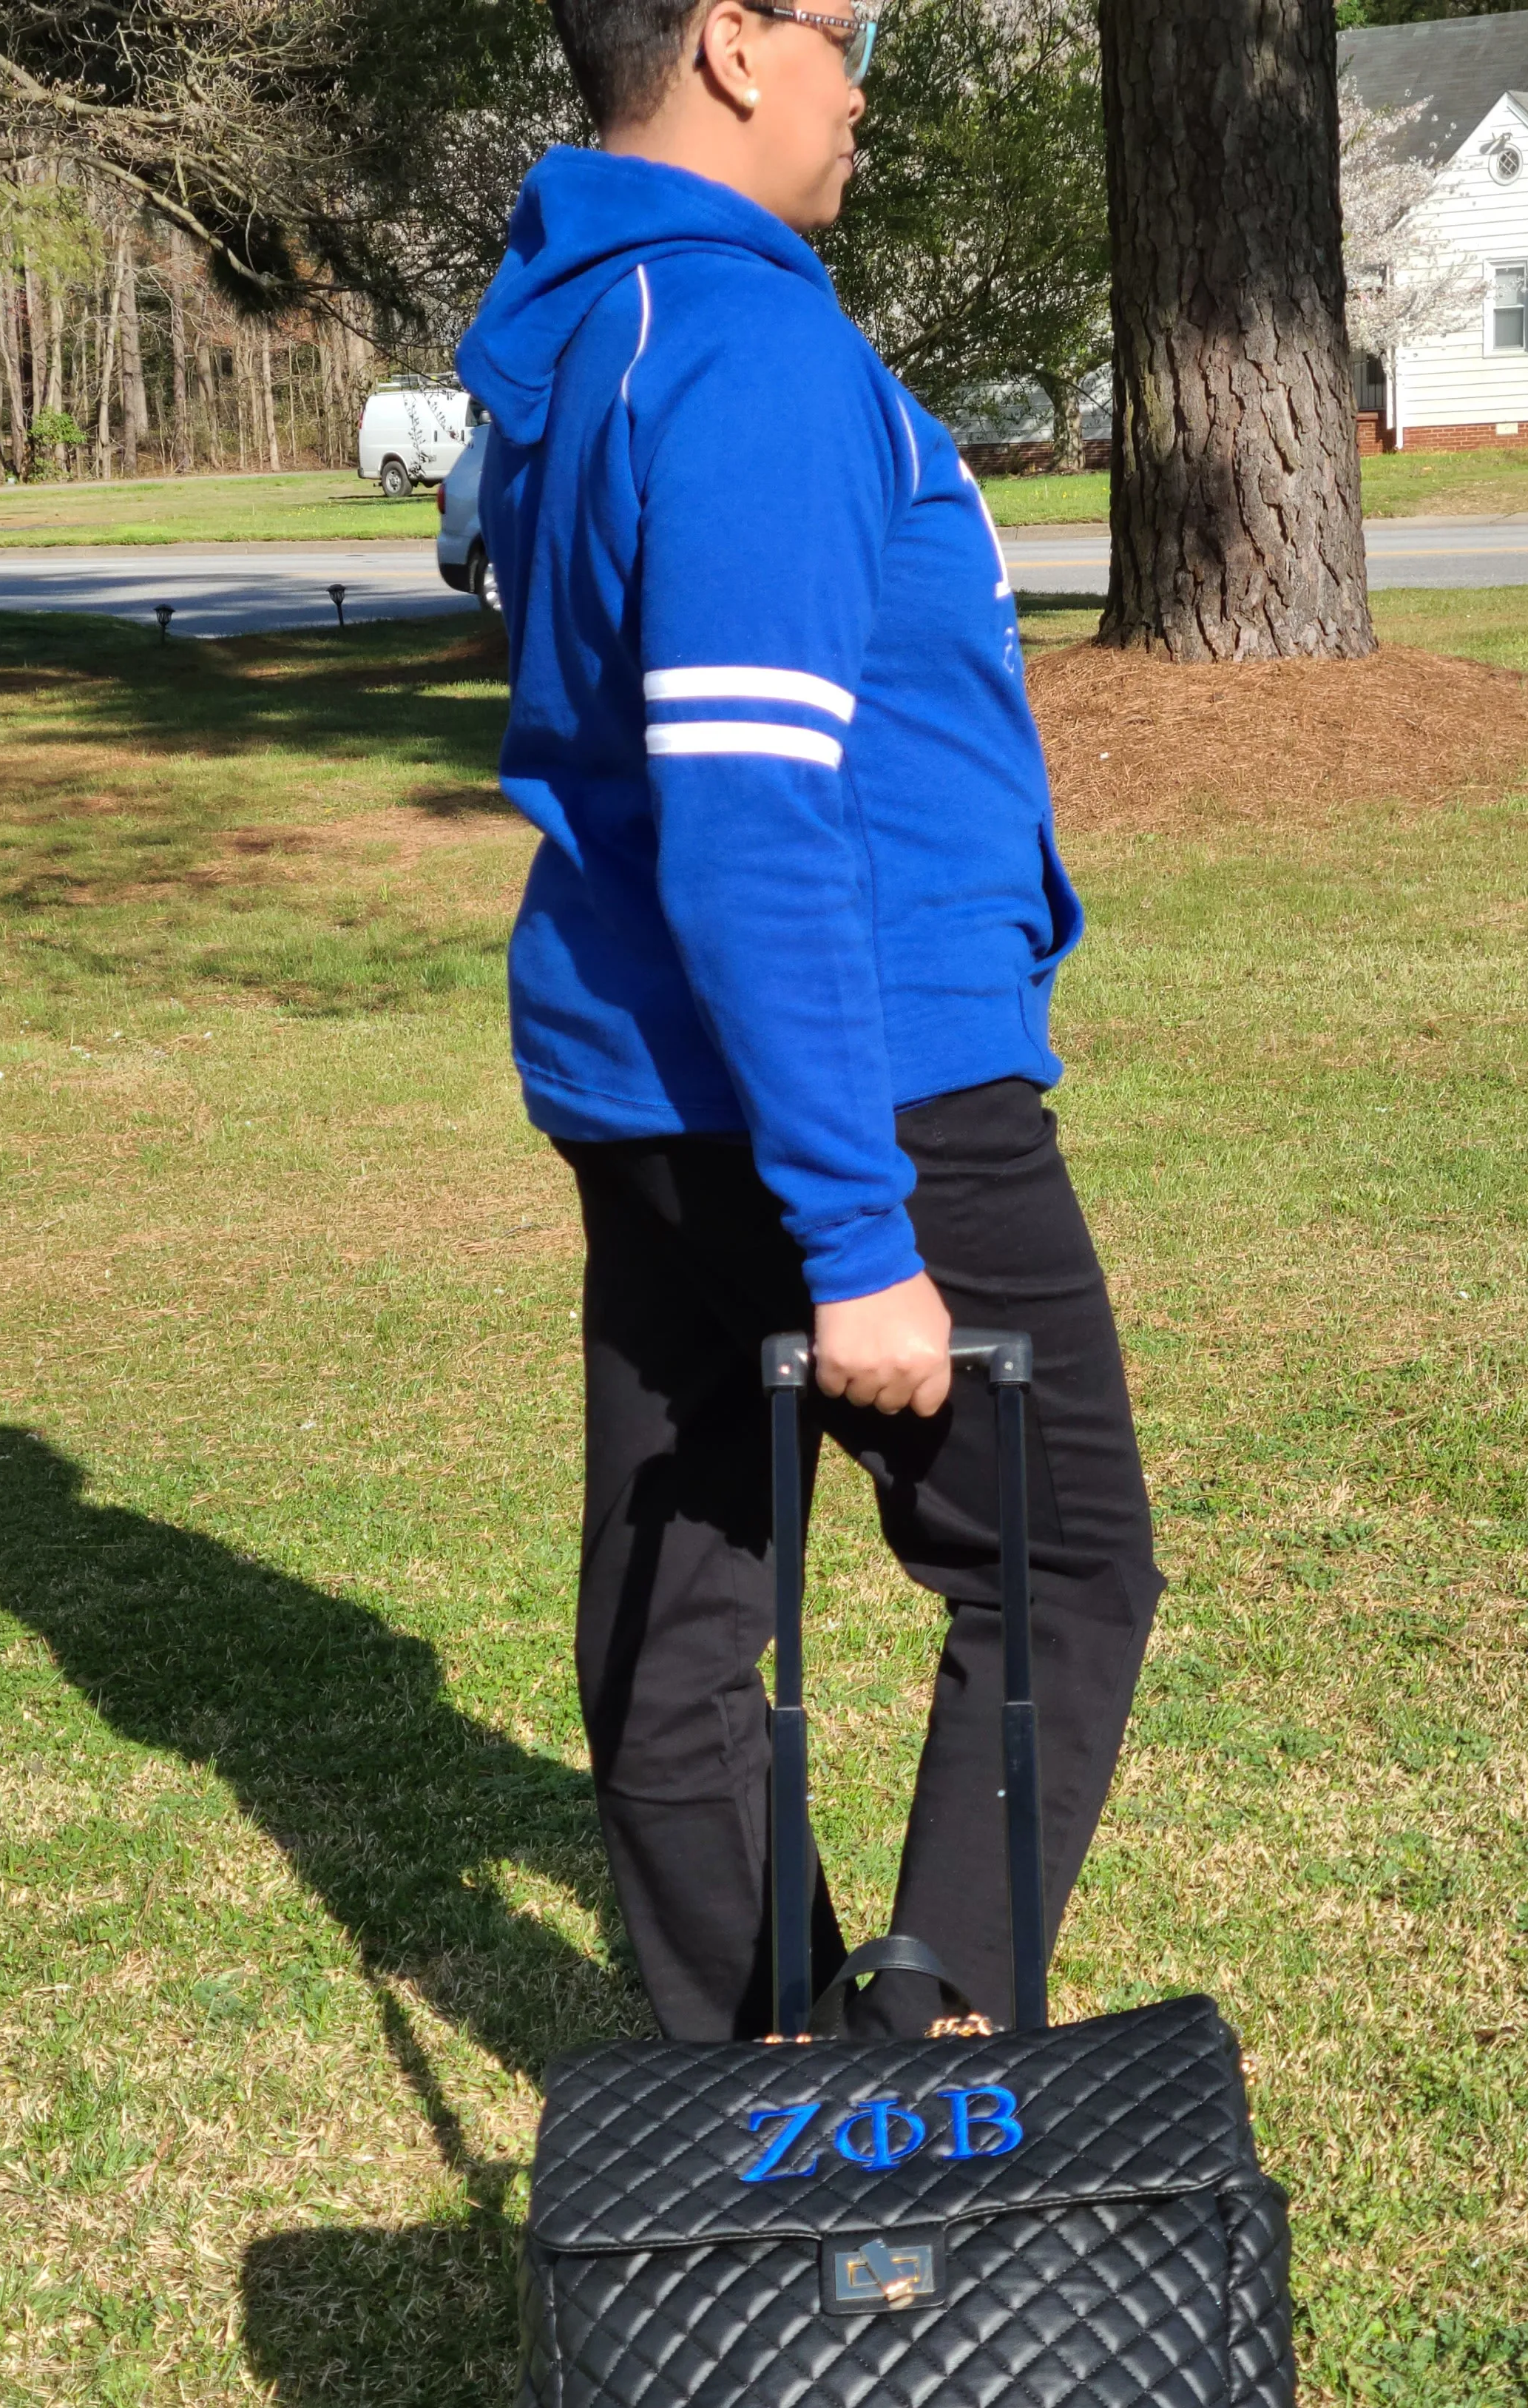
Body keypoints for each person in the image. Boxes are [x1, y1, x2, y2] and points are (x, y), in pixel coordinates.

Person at [456, 0, 1162, 2041]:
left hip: (648, 1073)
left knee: (680, 1598)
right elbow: (756, 810)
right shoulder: (748, 349)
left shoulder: (596, 328)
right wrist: (860, 1238)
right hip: (866, 1067)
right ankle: (914, 2060)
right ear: (731, 45)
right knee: (1062, 1567)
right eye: (850, 35)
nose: (869, 84)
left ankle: (749, 2076)